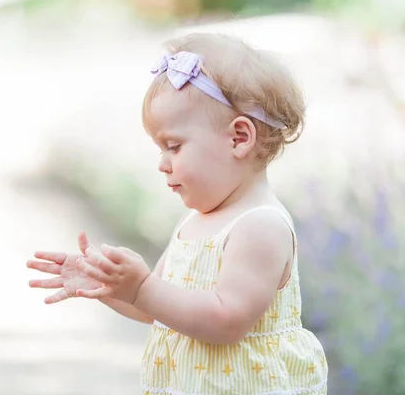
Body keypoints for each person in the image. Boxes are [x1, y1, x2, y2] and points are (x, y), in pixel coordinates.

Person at [27, 32, 328, 394]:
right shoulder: (195, 222)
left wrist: (142, 288)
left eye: (173, 146)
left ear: (239, 139)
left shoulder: (259, 226)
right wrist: (113, 288)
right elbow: (157, 309)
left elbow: (226, 321)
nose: (161, 164)